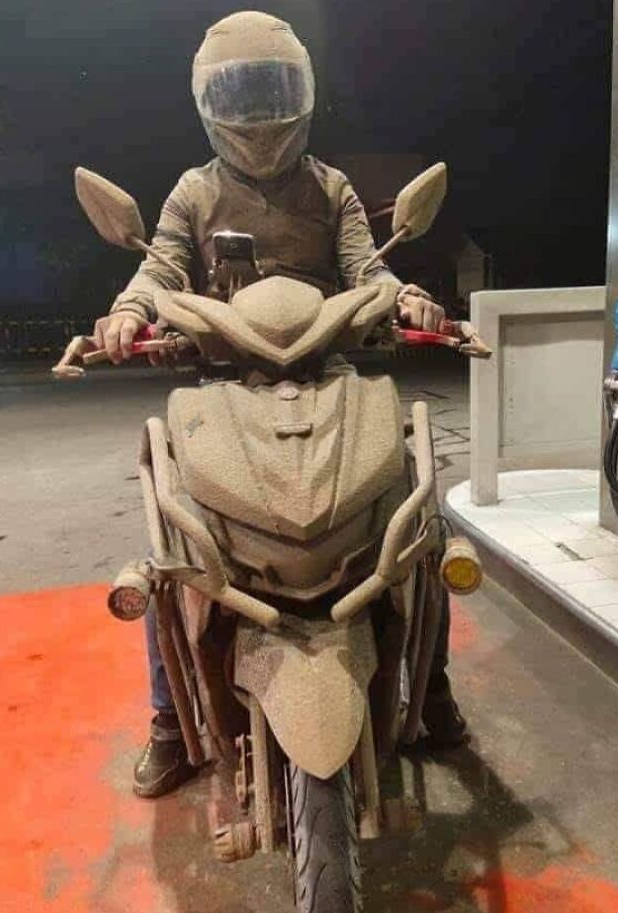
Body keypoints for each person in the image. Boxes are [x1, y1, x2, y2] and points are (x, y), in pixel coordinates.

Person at [92, 11, 466, 798]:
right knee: (175, 552)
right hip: (226, 390)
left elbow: (370, 270)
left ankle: (431, 692)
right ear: (209, 102)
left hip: (330, 378)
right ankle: (169, 720)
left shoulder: (331, 189)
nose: (259, 115)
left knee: (418, 526)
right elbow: (157, 268)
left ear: (303, 96)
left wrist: (411, 300)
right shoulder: (194, 193)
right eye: (242, 93)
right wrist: (129, 311)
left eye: (273, 92)